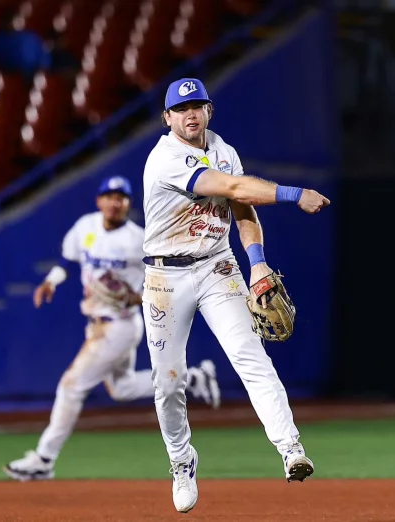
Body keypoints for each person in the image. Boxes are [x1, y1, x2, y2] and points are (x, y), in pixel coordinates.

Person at [141, 78, 330, 513]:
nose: (190, 114)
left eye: (197, 106)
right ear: (167, 118)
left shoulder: (223, 149)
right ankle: (181, 461)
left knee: (251, 356)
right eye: (180, 109)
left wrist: (258, 262)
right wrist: (295, 194)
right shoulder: (166, 158)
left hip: (216, 265)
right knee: (168, 383)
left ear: (209, 110)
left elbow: (242, 209)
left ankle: (291, 449)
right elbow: (234, 190)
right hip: (165, 276)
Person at [4, 175, 221, 482]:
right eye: (109, 196)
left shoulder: (138, 239)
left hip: (119, 325)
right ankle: (193, 378)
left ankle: (44, 458)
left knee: (70, 386)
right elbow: (68, 261)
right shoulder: (86, 227)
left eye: (121, 197)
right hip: (97, 324)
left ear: (128, 204)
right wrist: (51, 281)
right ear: (99, 201)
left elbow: (163, 278)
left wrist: (138, 295)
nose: (114, 202)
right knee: (122, 388)